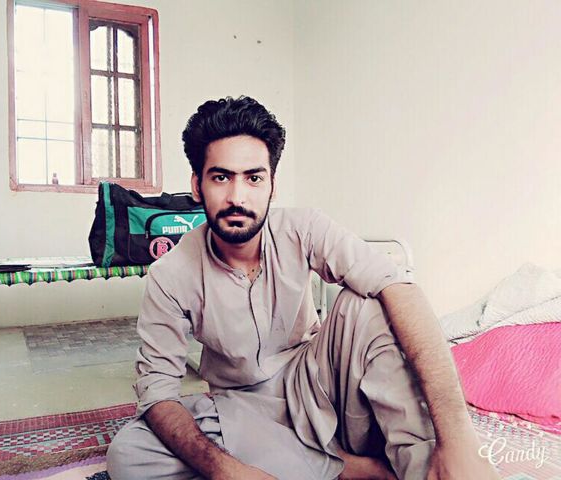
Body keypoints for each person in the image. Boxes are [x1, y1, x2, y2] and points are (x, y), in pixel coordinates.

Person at [107, 96, 499, 479]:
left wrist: (458, 438)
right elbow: (157, 391)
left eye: (254, 178)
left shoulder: (304, 228)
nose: (237, 197)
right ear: (197, 185)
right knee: (130, 454)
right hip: (242, 410)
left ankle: (429, 468)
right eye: (221, 177)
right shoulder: (171, 274)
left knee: (369, 304)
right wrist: (228, 470)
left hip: (315, 385)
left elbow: (399, 286)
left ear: (272, 186)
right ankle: (341, 466)